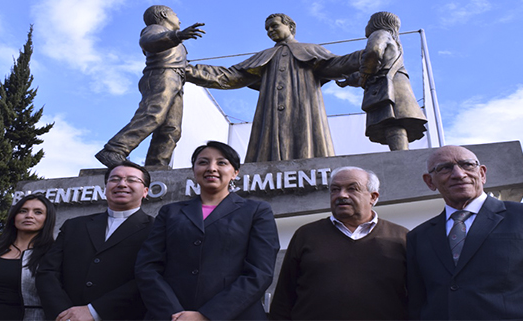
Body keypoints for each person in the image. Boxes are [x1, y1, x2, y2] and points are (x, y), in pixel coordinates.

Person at [407, 145, 523, 319]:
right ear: (430, 181)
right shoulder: (418, 237)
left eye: (467, 165)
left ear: (482, 173)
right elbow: (418, 303)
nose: (459, 174)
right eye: (444, 168)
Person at [186, 14, 361, 162]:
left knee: (308, 148)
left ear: (290, 26)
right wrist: (188, 71)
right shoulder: (264, 56)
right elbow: (230, 76)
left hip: (305, 111)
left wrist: (366, 57)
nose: (270, 31)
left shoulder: (310, 50)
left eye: (274, 26)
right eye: (267, 29)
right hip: (269, 117)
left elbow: (339, 64)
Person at [136, 141, 280, 320]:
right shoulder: (170, 212)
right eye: (203, 162)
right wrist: (174, 313)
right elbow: (147, 266)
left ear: (235, 172)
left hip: (236, 315)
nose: (211, 168)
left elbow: (260, 272)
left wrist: (207, 315)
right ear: (194, 171)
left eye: (221, 162)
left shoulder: (257, 211)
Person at [269, 166, 408, 320]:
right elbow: (284, 297)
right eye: (335, 189)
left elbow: (417, 296)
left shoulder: (401, 237)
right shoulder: (306, 235)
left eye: (352, 189)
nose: (341, 195)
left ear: (373, 197)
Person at [36, 160, 154, 321]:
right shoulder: (74, 225)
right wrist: (65, 314)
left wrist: (94, 311)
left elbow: (150, 277)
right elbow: (48, 272)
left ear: (145, 191)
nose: (121, 184)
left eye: (131, 180)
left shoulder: (156, 229)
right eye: (114, 179)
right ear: (105, 189)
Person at [95, 5, 205, 169]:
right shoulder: (155, 29)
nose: (179, 19)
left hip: (176, 80)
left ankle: (157, 165)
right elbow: (147, 42)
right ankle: (114, 149)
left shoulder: (174, 40)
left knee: (171, 128)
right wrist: (178, 35)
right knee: (153, 114)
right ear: (163, 15)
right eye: (175, 14)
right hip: (161, 76)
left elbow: (183, 66)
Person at [336, 12, 427, 151]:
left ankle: (401, 157)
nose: (366, 26)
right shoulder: (395, 41)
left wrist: (365, 72)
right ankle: (401, 154)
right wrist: (351, 79)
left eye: (368, 22)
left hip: (388, 85)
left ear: (377, 23)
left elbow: (373, 52)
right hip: (397, 83)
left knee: (391, 120)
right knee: (393, 123)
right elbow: (379, 65)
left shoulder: (380, 33)